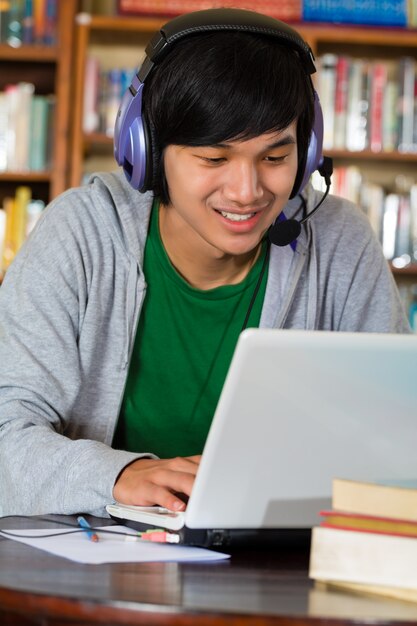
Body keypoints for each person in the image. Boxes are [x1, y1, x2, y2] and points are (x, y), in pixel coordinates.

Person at [0, 8, 410, 518]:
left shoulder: (340, 241)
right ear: (147, 152)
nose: (248, 192)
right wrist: (118, 475)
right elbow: (5, 435)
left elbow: (395, 437)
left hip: (279, 569)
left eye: (275, 158)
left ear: (305, 156)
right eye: (214, 160)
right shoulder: (81, 234)